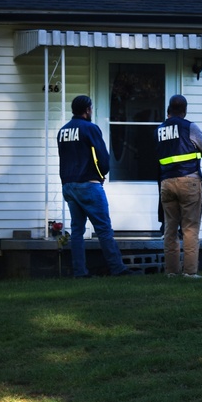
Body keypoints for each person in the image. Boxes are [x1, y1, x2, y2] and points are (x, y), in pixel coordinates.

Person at [57, 95, 141, 277]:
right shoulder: (90, 128)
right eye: (91, 108)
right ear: (87, 110)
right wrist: (102, 175)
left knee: (77, 230)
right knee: (103, 229)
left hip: (69, 186)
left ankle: (80, 272)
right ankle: (117, 269)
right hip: (88, 185)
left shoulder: (62, 131)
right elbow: (103, 157)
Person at [156, 94, 202, 279]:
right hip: (189, 181)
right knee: (190, 228)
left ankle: (171, 271)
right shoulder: (189, 127)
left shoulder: (159, 130)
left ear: (168, 110)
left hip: (166, 182)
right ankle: (190, 272)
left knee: (170, 229)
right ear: (185, 111)